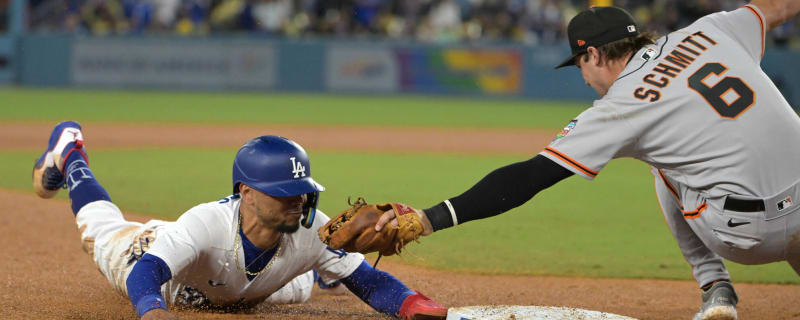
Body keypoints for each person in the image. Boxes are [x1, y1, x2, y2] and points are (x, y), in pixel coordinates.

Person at [374, 2, 800, 320]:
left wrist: (427, 219)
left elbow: (529, 177)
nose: (583, 76)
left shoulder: (620, 106)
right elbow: (781, 6)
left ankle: (716, 288)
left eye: (579, 63)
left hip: (745, 235)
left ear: (594, 55)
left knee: (664, 163)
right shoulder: (710, 30)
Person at [32, 121, 448, 320]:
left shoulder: (308, 226)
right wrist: (151, 309)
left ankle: (323, 274)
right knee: (99, 224)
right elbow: (149, 271)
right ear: (245, 193)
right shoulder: (206, 223)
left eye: (300, 189)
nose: (297, 199)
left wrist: (411, 304)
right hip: (148, 257)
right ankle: (71, 155)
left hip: (244, 287)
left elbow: (370, 282)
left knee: (299, 285)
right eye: (282, 191)